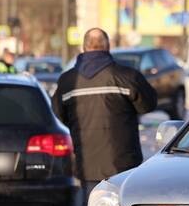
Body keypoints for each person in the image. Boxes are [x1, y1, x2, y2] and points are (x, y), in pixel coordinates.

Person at [52, 28, 157, 197]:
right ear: (108, 47)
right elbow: (148, 104)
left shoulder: (67, 81)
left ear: (83, 48)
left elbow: (58, 114)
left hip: (86, 164)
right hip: (123, 163)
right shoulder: (127, 76)